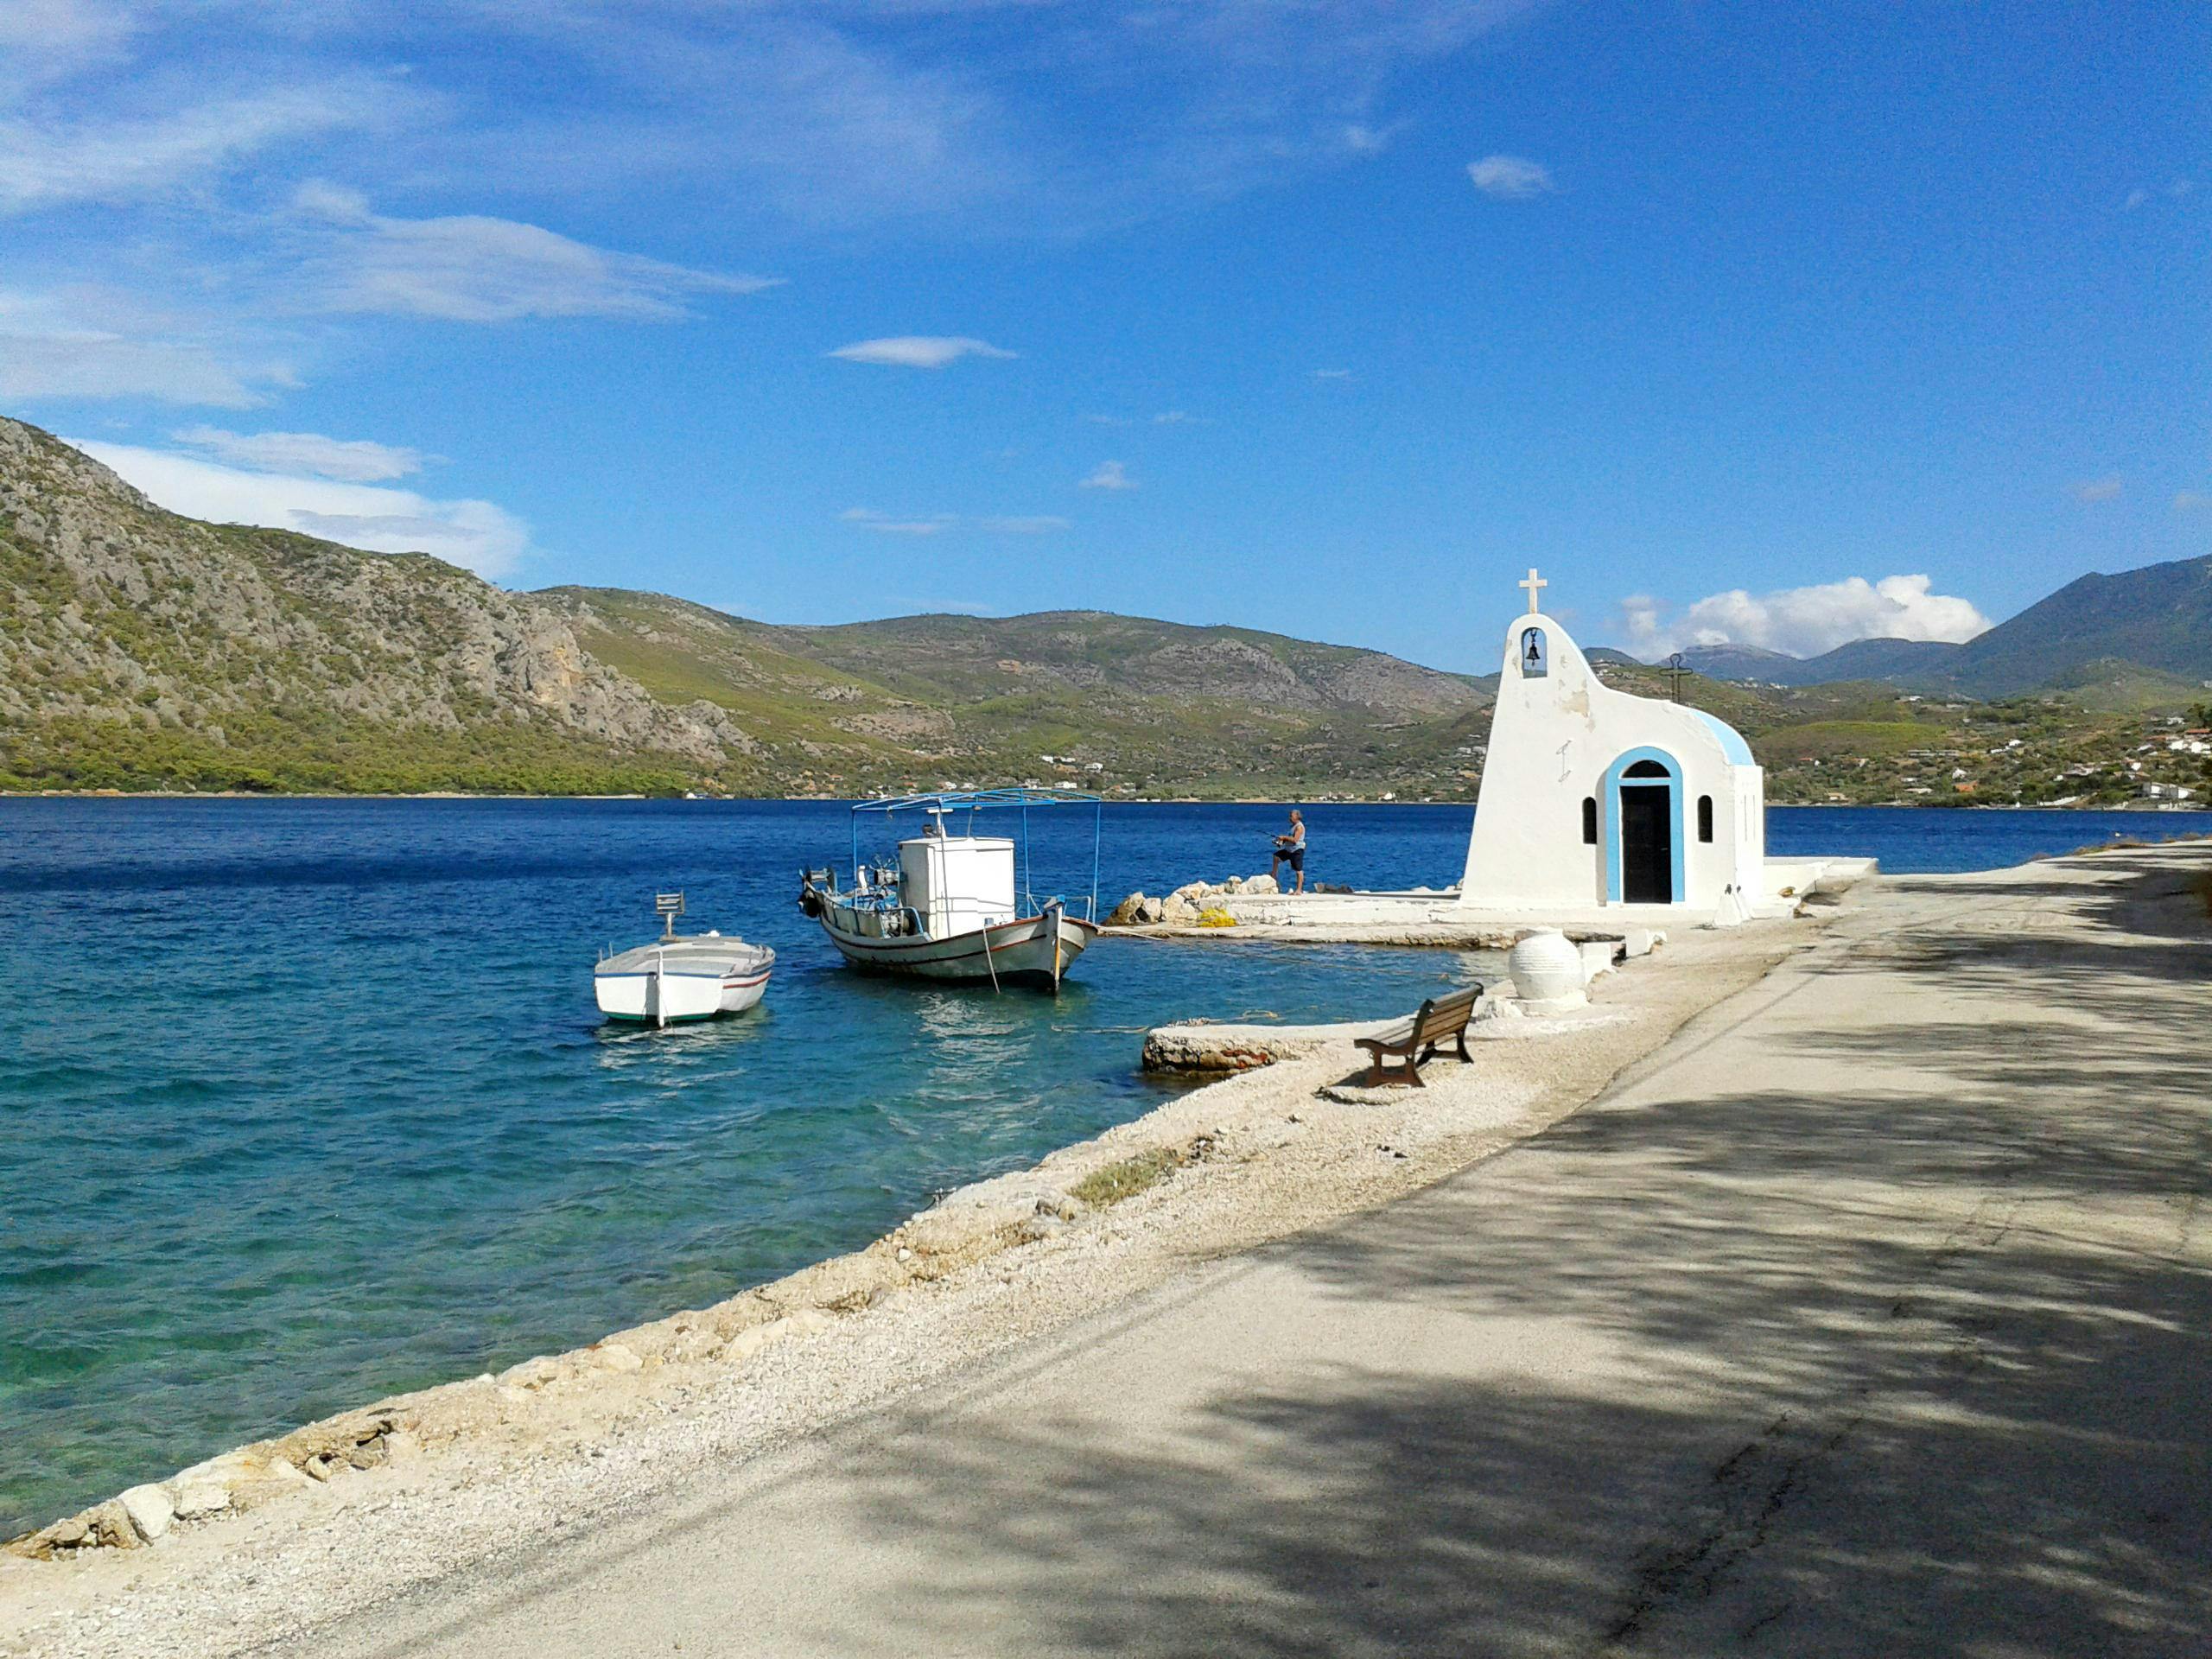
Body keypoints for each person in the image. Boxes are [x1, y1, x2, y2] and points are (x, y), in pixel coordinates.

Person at [1270, 808, 1307, 893]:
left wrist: (1284, 837)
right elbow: (1289, 839)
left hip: (1297, 850)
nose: (1289, 818)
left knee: (1298, 870)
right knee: (1276, 857)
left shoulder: (1299, 827)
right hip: (1289, 850)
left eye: (1291, 816)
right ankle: (1274, 875)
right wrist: (1280, 842)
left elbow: (1295, 840)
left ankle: (1299, 890)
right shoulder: (1292, 827)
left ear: (1297, 817)